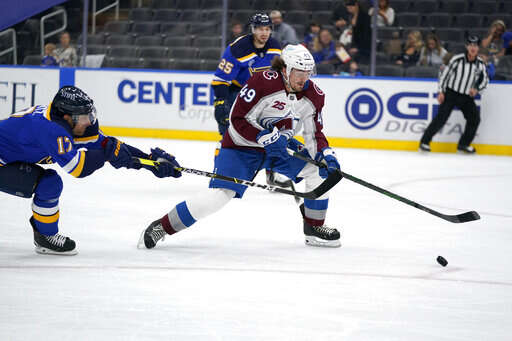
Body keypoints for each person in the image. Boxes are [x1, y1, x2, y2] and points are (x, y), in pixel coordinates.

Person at [139, 44, 342, 250]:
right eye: (299, 72)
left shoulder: (314, 95)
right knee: (219, 196)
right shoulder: (262, 82)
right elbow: (236, 120)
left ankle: (314, 228)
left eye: (308, 73)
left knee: (318, 169)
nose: (304, 78)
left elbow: (314, 134)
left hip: (279, 148)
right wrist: (263, 136)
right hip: (240, 147)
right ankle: (162, 227)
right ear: (285, 69)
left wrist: (326, 155)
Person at [0, 86, 182, 255]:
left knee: (49, 183)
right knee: (49, 183)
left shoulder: (69, 123)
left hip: (7, 159)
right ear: (67, 117)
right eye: (83, 117)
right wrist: (106, 154)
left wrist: (150, 162)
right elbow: (78, 168)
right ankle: (45, 236)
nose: (88, 122)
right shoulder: (51, 129)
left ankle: (44, 234)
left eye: (89, 115)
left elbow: (109, 145)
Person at [211, 13, 288, 187]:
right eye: (260, 28)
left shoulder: (275, 47)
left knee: (272, 131)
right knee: (228, 134)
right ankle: (222, 173)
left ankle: (273, 174)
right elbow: (221, 80)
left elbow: (280, 74)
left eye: (267, 29)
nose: (264, 32)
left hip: (264, 95)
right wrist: (221, 103)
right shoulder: (238, 49)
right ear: (253, 29)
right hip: (237, 93)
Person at [419, 36, 489, 154]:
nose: (473, 48)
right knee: (441, 118)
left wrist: (476, 89)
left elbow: (485, 80)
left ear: (478, 48)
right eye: (471, 45)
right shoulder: (457, 59)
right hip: (451, 94)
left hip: (466, 97)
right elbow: (444, 76)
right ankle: (424, 142)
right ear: (467, 47)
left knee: (474, 119)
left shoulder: (481, 64)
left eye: (475, 46)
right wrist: (441, 91)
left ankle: (464, 144)